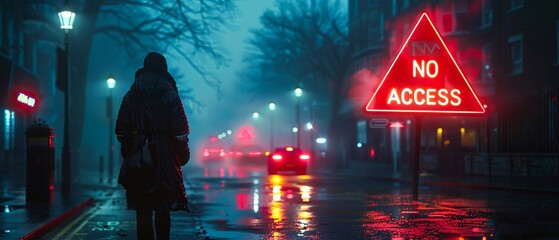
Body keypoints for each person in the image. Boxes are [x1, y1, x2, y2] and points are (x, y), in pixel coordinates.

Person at [116, 52, 190, 240]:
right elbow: (181, 129)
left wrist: (129, 147)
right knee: (162, 205)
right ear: (163, 69)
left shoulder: (132, 94)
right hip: (164, 155)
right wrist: (182, 152)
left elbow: (121, 128)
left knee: (142, 206)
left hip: (139, 153)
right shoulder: (170, 94)